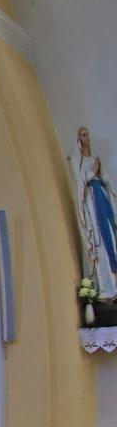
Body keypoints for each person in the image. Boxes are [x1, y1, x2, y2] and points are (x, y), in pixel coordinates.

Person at [75, 126, 117, 299]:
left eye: (87, 134)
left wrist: (100, 171)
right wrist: (94, 169)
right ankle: (108, 286)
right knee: (99, 240)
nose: (87, 137)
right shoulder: (80, 162)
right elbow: (83, 181)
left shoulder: (94, 158)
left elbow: (105, 179)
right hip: (92, 202)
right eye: (83, 135)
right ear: (79, 140)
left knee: (111, 235)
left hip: (102, 197)